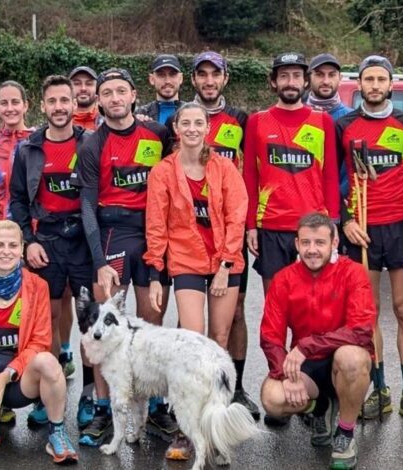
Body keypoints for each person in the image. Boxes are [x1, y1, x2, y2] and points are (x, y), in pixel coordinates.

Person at [73, 67, 178, 450]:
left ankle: (156, 407)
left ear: (134, 95)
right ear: (99, 100)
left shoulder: (158, 134)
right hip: (112, 233)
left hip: (150, 234)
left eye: (121, 91)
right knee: (104, 331)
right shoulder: (91, 144)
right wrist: (99, 259)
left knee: (152, 320)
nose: (115, 98)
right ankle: (103, 408)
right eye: (107, 93)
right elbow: (86, 205)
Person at [144, 102, 248, 458]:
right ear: (176, 128)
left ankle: (215, 426)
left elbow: (237, 217)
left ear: (208, 128)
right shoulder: (163, 171)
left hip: (225, 259)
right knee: (192, 341)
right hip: (185, 258)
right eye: (184, 122)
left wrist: (225, 265)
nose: (191, 128)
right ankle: (186, 427)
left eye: (198, 123)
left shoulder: (225, 167)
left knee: (219, 339)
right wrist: (155, 271)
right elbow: (156, 225)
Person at [0, 220, 78, 464]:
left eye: (12, 245)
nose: (5, 251)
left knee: (49, 362)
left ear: (22, 249)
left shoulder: (38, 286)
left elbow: (41, 342)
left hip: (20, 379)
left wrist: (8, 374)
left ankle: (57, 432)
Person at [9, 74, 94, 428]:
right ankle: (49, 391)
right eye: (53, 101)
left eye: (65, 101)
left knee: (89, 317)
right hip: (47, 240)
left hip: (85, 239)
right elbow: (17, 200)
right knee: (47, 319)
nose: (59, 108)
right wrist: (28, 242)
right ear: (42, 106)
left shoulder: (91, 144)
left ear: (75, 104)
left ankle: (91, 396)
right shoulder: (28, 148)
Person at [260, 213, 374, 470]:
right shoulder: (284, 279)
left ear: (334, 242)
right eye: (306, 243)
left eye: (320, 242)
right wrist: (284, 374)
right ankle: (320, 408)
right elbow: (270, 337)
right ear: (297, 244)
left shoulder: (353, 272)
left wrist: (306, 346)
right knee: (272, 398)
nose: (312, 250)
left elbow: (361, 331)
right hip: (308, 365)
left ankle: (344, 434)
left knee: (352, 358)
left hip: (342, 361)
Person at [337, 55, 403, 422]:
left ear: (390, 84)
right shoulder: (345, 125)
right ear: (360, 84)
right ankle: (379, 389)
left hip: (402, 227)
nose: (375, 85)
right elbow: (325, 179)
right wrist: (344, 220)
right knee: (370, 314)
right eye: (369, 79)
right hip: (362, 228)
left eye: (381, 79)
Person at [190, 51, 260, 419]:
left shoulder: (242, 120)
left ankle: (236, 388)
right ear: (194, 81)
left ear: (225, 78)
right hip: (192, 233)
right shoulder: (178, 118)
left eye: (214, 74)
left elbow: (250, 174)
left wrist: (249, 225)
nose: (208, 80)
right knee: (195, 320)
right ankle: (200, 388)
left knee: (234, 317)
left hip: (230, 233)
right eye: (201, 74)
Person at [243, 52, 340, 293]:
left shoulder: (323, 121)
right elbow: (250, 177)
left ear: (306, 81)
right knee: (275, 307)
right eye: (284, 76)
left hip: (313, 226)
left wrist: (334, 222)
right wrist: (251, 226)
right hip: (271, 226)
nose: (290, 82)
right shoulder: (256, 121)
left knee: (312, 309)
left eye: (297, 76)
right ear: (273, 82)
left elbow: (329, 175)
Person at [0, 81, 34, 237]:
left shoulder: (38, 142)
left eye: (15, 102)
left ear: (25, 105)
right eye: (4, 103)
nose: (10, 108)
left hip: (28, 232)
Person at [306, 53, 353, 202]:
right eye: (319, 74)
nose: (326, 81)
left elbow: (353, 168)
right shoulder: (296, 116)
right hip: (304, 204)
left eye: (331, 75)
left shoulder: (351, 119)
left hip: (340, 205)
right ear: (309, 78)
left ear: (340, 78)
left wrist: (337, 197)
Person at [137, 54, 184, 125]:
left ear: (180, 78)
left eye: (172, 74)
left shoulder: (194, 112)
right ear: (152, 79)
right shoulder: (140, 114)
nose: (167, 81)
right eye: (161, 75)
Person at [69, 66, 102, 131]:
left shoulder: (109, 123)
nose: (83, 88)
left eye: (89, 84)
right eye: (77, 84)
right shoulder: (58, 123)